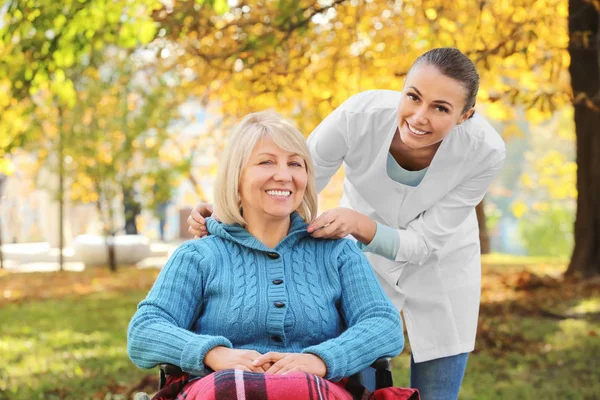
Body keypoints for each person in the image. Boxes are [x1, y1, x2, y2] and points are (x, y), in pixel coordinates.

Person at [188, 48, 506, 400]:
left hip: (441, 259)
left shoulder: (485, 151)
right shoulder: (360, 116)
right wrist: (224, 212)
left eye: (441, 108)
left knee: (436, 390)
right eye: (413, 97)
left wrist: (359, 224)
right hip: (362, 258)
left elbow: (423, 244)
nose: (419, 116)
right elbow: (294, 181)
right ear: (402, 89)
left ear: (466, 115)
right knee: (357, 374)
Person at [128, 111, 411, 400]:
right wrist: (213, 354)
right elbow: (145, 330)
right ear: (236, 176)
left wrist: (322, 359)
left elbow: (384, 325)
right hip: (220, 389)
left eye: (295, 164)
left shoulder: (338, 252)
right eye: (266, 162)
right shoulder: (198, 256)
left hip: (314, 390)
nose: (284, 175)